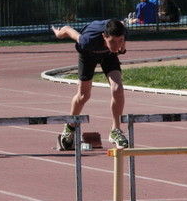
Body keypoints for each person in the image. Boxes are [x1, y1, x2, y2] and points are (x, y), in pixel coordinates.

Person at [52, 19, 129, 149]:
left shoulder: (122, 33)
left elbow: (121, 37)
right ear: (104, 36)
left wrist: (122, 46)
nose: (116, 45)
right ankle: (70, 126)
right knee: (83, 96)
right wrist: (60, 33)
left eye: (120, 40)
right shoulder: (88, 39)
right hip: (87, 54)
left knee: (117, 89)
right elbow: (68, 30)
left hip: (108, 56)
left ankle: (115, 130)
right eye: (112, 42)